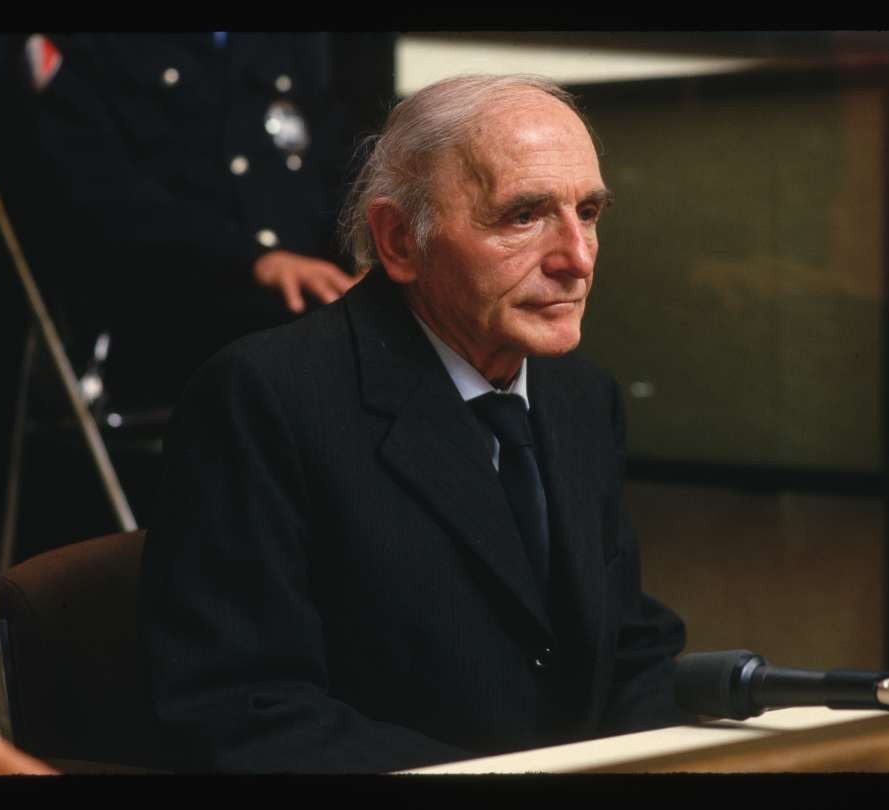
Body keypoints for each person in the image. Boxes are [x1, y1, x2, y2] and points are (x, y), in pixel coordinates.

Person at [140, 74, 692, 774]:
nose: (577, 258)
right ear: (399, 241)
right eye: (523, 216)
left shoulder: (582, 396)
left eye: (587, 212)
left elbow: (628, 648)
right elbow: (243, 710)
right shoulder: (264, 399)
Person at [25, 33, 393, 407]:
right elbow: (100, 194)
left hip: (310, 323)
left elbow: (339, 162)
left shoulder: (295, 41)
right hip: (171, 328)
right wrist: (252, 261)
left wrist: (367, 258)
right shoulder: (94, 45)